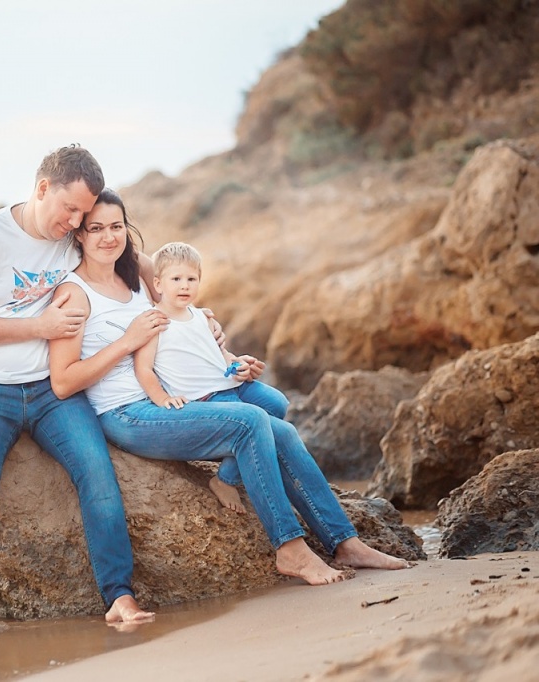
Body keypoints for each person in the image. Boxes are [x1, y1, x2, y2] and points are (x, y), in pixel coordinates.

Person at [48, 188, 411, 586]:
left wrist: (217, 339)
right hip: (127, 412)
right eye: (96, 228)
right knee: (250, 421)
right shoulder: (74, 293)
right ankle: (290, 549)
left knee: (284, 432)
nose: (108, 237)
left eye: (116, 226)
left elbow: (181, 307)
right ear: (79, 234)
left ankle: (345, 541)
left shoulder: (134, 273)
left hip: (174, 397)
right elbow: (63, 382)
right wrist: (126, 343)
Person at [0, 145, 154, 639]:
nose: (76, 223)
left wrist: (190, 313)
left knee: (96, 471)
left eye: (84, 214)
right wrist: (41, 326)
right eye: (70, 209)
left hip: (50, 391)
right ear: (42, 188)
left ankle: (119, 597)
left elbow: (135, 258)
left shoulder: (70, 237)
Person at [134, 241, 290, 514]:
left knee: (277, 404)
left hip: (227, 383)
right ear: (158, 283)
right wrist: (162, 398)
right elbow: (143, 368)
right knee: (253, 421)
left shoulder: (201, 316)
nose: (185, 286)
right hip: (205, 396)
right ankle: (226, 479)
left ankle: (232, 463)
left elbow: (219, 355)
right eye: (176, 279)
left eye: (191, 279)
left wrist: (236, 364)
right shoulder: (156, 322)